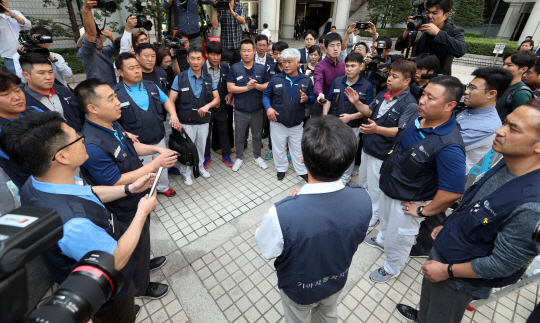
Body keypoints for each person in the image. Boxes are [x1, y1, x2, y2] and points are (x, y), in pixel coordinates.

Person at [0, 111, 158, 323]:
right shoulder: (74, 224)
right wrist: (142, 212)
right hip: (107, 297)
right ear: (61, 157)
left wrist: (129, 188)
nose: (84, 139)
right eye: (77, 137)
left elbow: (87, 193)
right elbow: (116, 261)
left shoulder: (38, 182)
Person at [396, 99, 540, 323]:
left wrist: (448, 271)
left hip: (458, 278)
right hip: (445, 252)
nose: (499, 131)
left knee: (441, 317)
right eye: (505, 123)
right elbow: (475, 203)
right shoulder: (510, 160)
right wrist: (448, 225)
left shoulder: (532, 205)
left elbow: (503, 263)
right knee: (428, 306)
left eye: (513, 128)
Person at [255, 115, 372, 323]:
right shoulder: (364, 198)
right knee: (328, 314)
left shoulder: (281, 214)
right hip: (337, 280)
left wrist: (292, 206)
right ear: (347, 162)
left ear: (303, 159)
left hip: (299, 290)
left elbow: (267, 249)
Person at [75, 78, 174, 300]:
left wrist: (156, 149)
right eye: (111, 98)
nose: (119, 102)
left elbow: (132, 148)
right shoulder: (92, 144)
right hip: (122, 205)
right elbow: (115, 181)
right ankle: (140, 288)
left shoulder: (111, 124)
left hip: (138, 193)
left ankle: (143, 264)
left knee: (141, 238)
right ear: (92, 108)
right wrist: (154, 165)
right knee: (131, 241)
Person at [364, 76, 466, 283]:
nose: (422, 100)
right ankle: (381, 240)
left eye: (430, 97)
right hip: (390, 186)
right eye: (423, 94)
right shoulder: (418, 118)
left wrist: (422, 210)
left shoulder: (450, 146)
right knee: (385, 223)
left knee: (399, 237)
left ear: (450, 105)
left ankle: (392, 268)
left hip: (407, 201)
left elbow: (453, 192)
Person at [410, 67, 513, 259]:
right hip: (434, 169)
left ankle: (425, 246)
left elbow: (443, 145)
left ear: (491, 94)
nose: (466, 91)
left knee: (437, 209)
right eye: (468, 86)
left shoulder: (487, 125)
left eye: (473, 87)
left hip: (445, 174)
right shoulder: (471, 111)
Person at [352, 59, 418, 227]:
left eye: (394, 76)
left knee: (375, 187)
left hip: (382, 153)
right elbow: (369, 111)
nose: (389, 79)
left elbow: (402, 131)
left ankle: (374, 216)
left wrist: (377, 130)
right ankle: (362, 208)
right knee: (363, 181)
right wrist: (356, 103)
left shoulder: (410, 104)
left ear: (407, 81)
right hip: (368, 146)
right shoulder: (383, 94)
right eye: (389, 74)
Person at [112, 53, 183, 196]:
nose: (137, 71)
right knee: (143, 170)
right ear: (121, 72)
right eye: (131, 68)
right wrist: (124, 133)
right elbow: (110, 119)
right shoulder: (115, 93)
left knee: (162, 165)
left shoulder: (151, 86)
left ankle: (163, 187)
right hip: (138, 144)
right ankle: (147, 192)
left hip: (158, 136)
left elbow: (167, 101)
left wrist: (174, 115)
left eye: (138, 67)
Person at [169, 47, 219, 184]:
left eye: (198, 58)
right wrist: (175, 118)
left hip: (203, 120)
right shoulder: (180, 78)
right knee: (186, 148)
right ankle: (186, 173)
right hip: (185, 121)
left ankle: (201, 166)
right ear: (187, 59)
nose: (195, 62)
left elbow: (217, 99)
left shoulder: (209, 78)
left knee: (201, 145)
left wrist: (208, 106)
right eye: (192, 58)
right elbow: (171, 100)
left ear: (204, 60)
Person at [263, 48, 315, 181]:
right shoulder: (275, 79)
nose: (286, 65)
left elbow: (313, 98)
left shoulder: (306, 80)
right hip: (278, 122)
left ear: (298, 63)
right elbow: (266, 96)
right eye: (284, 61)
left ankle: (301, 170)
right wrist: (268, 108)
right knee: (278, 148)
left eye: (290, 62)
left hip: (297, 124)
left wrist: (307, 99)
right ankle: (281, 168)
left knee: (298, 149)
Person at [323, 52, 375, 184]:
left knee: (349, 153)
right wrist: (324, 117)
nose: (349, 69)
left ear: (361, 66)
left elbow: (368, 110)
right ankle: (332, 173)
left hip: (354, 127)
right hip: (335, 125)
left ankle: (345, 178)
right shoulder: (337, 81)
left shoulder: (367, 86)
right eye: (347, 66)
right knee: (333, 149)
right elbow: (328, 100)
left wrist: (351, 117)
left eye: (353, 66)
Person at [227, 38, 270, 172]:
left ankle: (257, 157)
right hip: (240, 110)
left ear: (254, 52)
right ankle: (239, 158)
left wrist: (256, 86)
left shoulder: (261, 69)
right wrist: (247, 88)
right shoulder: (234, 68)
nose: (246, 53)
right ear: (240, 52)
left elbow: (268, 86)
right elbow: (230, 88)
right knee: (239, 136)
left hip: (257, 110)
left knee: (257, 136)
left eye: (249, 51)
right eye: (244, 51)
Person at [394, 0, 467, 75]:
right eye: (428, 12)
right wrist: (409, 29)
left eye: (434, 13)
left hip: (438, 80)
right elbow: (399, 46)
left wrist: (438, 33)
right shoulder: (422, 27)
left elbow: (461, 50)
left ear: (445, 15)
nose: (430, 16)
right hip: (417, 77)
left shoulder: (454, 31)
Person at [0, 70, 42, 191]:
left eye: (17, 90)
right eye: (5, 94)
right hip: (30, 188)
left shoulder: (34, 110)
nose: (16, 97)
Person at [19, 53, 83, 132]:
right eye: (41, 73)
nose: (48, 77)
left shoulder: (64, 90)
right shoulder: (21, 100)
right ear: (26, 75)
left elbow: (82, 116)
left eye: (50, 72)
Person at [203, 41, 233, 168]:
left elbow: (229, 85)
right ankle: (206, 156)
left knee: (224, 131)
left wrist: (230, 94)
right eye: (212, 54)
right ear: (207, 54)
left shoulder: (226, 68)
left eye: (218, 54)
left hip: (222, 107)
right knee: (206, 133)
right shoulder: (201, 68)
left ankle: (226, 155)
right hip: (206, 108)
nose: (216, 58)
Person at [77, 0, 119, 86]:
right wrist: (86, 9)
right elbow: (90, 33)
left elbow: (119, 45)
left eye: (98, 37)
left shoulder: (105, 51)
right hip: (98, 93)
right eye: (93, 38)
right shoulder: (87, 52)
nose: (96, 40)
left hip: (113, 89)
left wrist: (111, 37)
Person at [496, 50, 536, 120]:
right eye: (503, 64)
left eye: (509, 65)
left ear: (523, 69)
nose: (504, 67)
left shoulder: (521, 93)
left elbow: (519, 120)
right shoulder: (499, 84)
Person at [0, 0, 31, 74]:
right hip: (10, 56)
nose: (1, 2)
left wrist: (13, 15)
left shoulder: (15, 12)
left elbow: (28, 25)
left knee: (31, 77)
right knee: (17, 80)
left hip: (25, 52)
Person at [211, 0, 246, 65]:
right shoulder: (220, 7)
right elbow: (215, 26)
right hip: (225, 47)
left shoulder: (240, 6)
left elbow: (243, 21)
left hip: (238, 46)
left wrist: (233, 13)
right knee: (224, 71)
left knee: (236, 71)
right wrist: (215, 7)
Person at [314, 33, 345, 103]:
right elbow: (318, 81)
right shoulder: (320, 66)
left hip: (340, 104)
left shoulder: (343, 65)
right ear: (326, 49)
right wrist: (319, 93)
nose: (335, 49)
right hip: (324, 103)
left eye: (338, 45)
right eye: (332, 45)